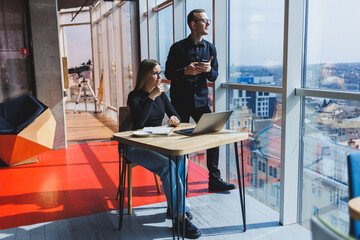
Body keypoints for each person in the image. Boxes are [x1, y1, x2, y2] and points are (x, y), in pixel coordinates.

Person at [127, 59, 201, 239]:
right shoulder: (135, 96)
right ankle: (180, 218)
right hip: (135, 146)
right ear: (145, 75)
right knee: (168, 166)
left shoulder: (162, 95)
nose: (160, 77)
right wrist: (151, 97)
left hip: (157, 143)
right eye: (155, 73)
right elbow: (138, 123)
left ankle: (174, 208)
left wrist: (174, 119)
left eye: (160, 73)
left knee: (181, 158)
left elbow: (174, 113)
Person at [165, 9, 236, 192]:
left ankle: (214, 179)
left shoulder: (210, 48)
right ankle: (181, 185)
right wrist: (184, 71)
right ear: (193, 24)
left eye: (208, 20)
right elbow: (168, 73)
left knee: (214, 135)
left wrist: (207, 70)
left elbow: (214, 77)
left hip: (201, 102)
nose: (208, 24)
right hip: (180, 103)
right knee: (181, 144)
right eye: (205, 20)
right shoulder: (177, 48)